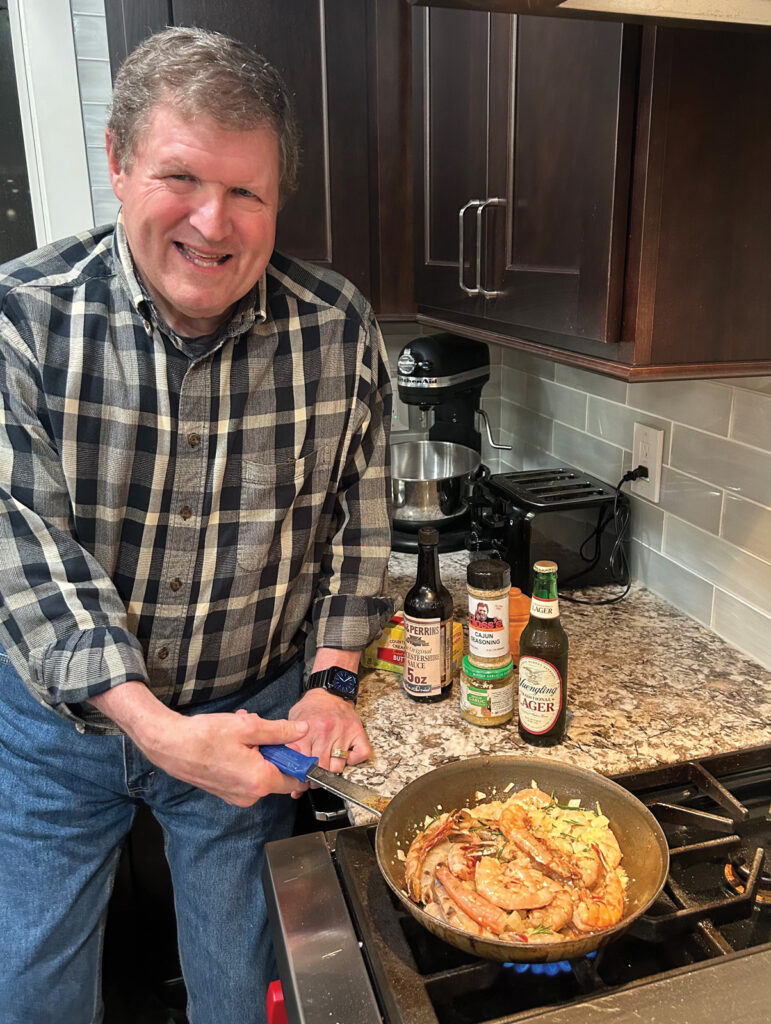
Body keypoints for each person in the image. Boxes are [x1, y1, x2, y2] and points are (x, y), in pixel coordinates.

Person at [0, 26, 393, 1024]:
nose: (214, 223)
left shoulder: (337, 327)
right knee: (30, 982)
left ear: (278, 199)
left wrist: (332, 677)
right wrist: (158, 729)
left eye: (248, 192)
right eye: (181, 176)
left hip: (249, 715)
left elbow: (361, 521)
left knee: (246, 984)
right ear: (119, 162)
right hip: (56, 734)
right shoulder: (22, 319)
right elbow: (27, 552)